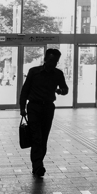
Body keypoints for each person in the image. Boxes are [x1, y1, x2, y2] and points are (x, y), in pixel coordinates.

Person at [19, 49, 69, 177]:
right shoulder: (34, 72)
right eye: (51, 60)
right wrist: (22, 108)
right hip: (34, 108)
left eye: (56, 61)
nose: (53, 64)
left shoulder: (58, 74)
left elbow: (65, 89)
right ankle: (38, 166)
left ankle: (38, 163)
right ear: (45, 59)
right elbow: (25, 90)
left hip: (48, 108)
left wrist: (61, 91)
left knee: (44, 137)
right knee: (36, 137)